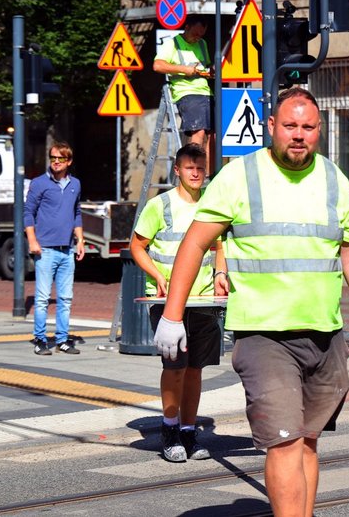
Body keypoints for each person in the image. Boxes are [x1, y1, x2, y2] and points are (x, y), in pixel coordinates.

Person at [152, 87, 349, 516]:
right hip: (265, 337)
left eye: (307, 127)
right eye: (290, 126)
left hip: (324, 334)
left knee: (308, 442)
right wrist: (172, 315)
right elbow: (194, 244)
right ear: (271, 127)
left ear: (319, 130)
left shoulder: (334, 179)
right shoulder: (240, 176)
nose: (298, 135)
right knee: (285, 441)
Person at [129, 144, 228, 463]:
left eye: (201, 167)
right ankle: (169, 427)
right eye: (190, 168)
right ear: (178, 171)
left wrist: (221, 272)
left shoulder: (211, 205)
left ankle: (188, 429)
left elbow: (218, 245)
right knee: (175, 368)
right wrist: (157, 275)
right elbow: (137, 246)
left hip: (202, 300)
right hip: (168, 301)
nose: (197, 173)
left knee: (196, 369)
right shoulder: (161, 206)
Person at [24, 141, 86, 356]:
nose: (56, 162)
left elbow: (76, 213)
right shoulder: (39, 183)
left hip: (67, 249)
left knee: (65, 298)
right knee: (42, 298)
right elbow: (28, 212)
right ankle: (40, 339)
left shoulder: (75, 184)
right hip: (46, 250)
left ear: (69, 161)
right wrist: (32, 240)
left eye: (61, 158)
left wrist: (80, 240)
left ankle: (62, 339)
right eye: (53, 158)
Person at [153, 14, 215, 167]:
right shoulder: (172, 44)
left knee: (214, 134)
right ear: (186, 27)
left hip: (206, 92)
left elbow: (205, 66)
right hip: (187, 92)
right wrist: (183, 69)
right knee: (198, 130)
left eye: (201, 34)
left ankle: (210, 173)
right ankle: (193, 168)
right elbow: (158, 65)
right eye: (195, 34)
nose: (197, 38)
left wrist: (211, 71)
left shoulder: (202, 44)